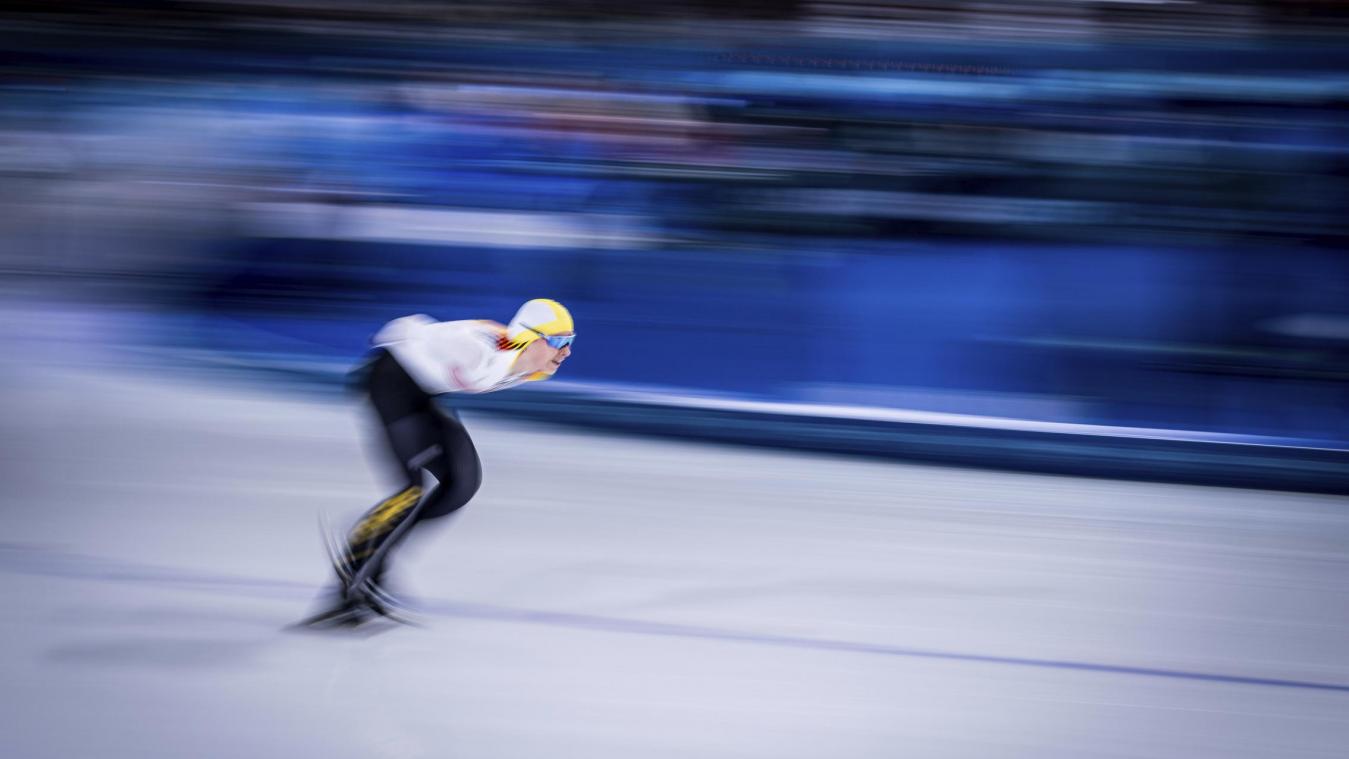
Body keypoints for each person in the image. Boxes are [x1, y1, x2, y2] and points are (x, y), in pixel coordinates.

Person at [306, 298, 575, 627]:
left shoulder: (530, 368)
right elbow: (410, 331)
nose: (566, 353)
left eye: (570, 343)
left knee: (462, 482)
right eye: (559, 342)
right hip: (390, 381)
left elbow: (492, 337)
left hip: (423, 392)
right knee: (411, 491)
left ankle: (376, 552)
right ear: (531, 336)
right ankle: (351, 579)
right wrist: (390, 341)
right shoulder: (478, 351)